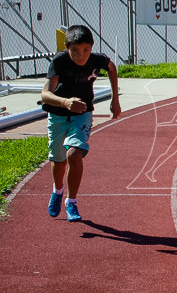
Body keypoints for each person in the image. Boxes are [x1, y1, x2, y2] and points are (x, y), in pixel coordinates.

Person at [40, 25, 122, 221]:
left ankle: (72, 202)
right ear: (67, 48)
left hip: (82, 113)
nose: (81, 55)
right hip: (58, 115)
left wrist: (115, 99)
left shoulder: (97, 60)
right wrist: (65, 102)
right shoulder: (59, 62)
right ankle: (58, 190)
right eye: (75, 50)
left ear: (91, 48)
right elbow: (45, 94)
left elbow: (112, 68)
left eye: (86, 50)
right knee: (58, 160)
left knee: (74, 154)